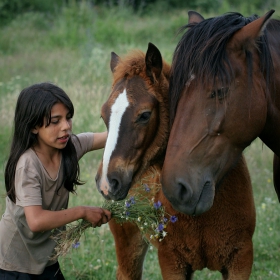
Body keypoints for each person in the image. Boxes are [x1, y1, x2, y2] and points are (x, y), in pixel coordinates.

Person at [0, 82, 111, 279]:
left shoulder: (70, 148)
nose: (66, 127)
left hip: (47, 259)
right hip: (14, 264)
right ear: (34, 126)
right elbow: (36, 221)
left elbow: (112, 137)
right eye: (55, 121)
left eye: (68, 118)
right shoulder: (28, 165)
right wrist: (82, 211)